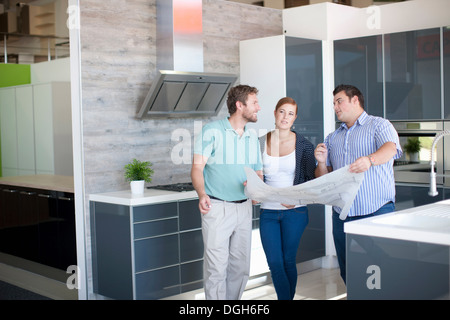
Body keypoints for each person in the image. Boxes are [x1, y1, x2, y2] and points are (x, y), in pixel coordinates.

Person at [314, 84, 402, 284]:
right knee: (349, 270)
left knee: (380, 269)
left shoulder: (379, 125)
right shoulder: (332, 138)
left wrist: (369, 160)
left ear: (355, 100)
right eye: (334, 103)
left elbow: (390, 148)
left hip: (376, 210)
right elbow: (323, 178)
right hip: (342, 215)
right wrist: (320, 162)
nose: (335, 107)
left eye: (339, 101)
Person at [191, 84, 263, 300]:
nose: (259, 107)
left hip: (244, 208)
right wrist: (201, 194)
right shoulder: (212, 131)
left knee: (241, 268)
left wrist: (257, 188)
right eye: (254, 103)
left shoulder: (252, 137)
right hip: (217, 207)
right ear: (240, 105)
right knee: (216, 269)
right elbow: (197, 168)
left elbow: (257, 172)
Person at [258, 97, 316, 300]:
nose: (285, 117)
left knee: (288, 261)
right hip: (268, 212)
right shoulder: (260, 142)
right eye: (282, 111)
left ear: (295, 118)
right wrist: (254, 193)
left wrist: (298, 199)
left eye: (290, 113)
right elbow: (254, 175)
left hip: (295, 212)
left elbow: (311, 181)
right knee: (274, 262)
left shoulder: (305, 146)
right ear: (275, 113)